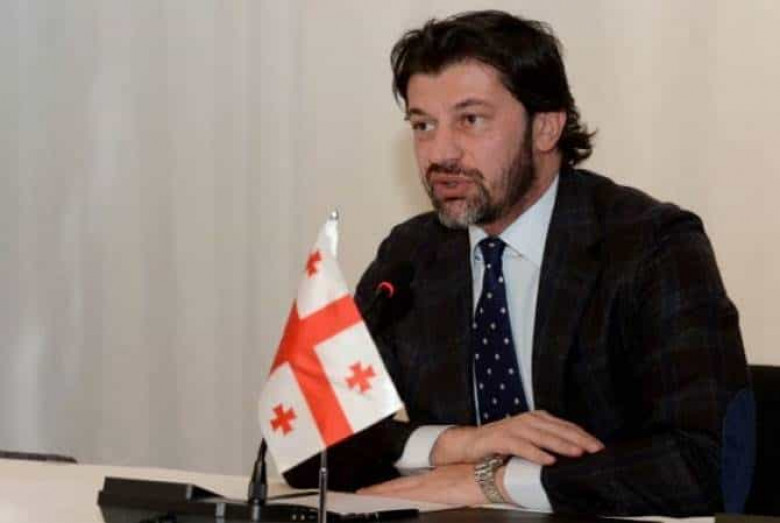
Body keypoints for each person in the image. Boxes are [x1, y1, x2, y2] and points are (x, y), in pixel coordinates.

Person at [285, 10, 753, 516]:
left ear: (546, 127)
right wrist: (455, 444)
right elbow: (305, 445)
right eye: (423, 125)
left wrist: (494, 482)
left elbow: (704, 461)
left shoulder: (649, 247)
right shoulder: (412, 256)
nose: (439, 153)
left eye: (470, 120)